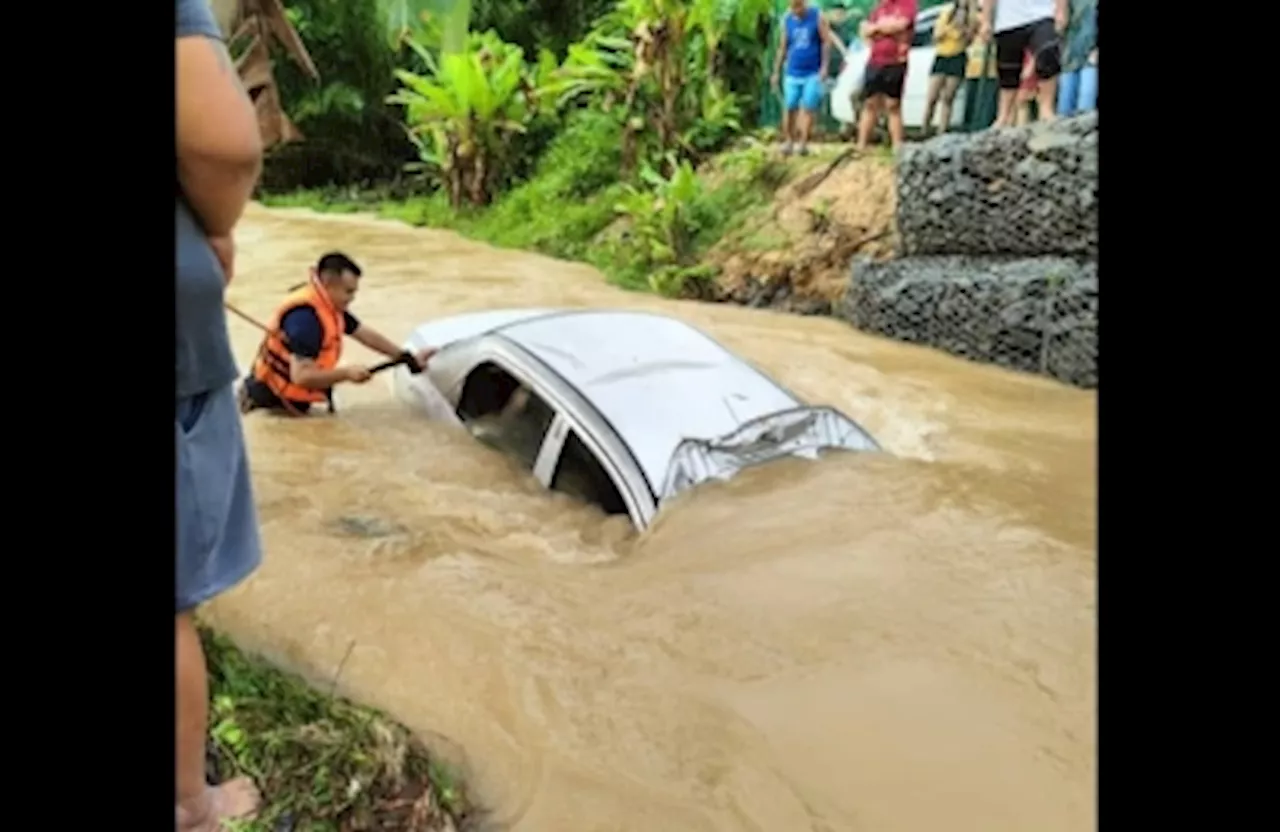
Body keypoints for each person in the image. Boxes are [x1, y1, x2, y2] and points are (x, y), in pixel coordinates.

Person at [176, 0, 265, 829]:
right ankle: (190, 804)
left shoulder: (328, 310)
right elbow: (226, 141)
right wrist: (216, 231)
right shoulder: (308, 319)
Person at [239, 252, 439, 416]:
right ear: (327, 285)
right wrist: (346, 374)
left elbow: (365, 334)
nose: (352, 298)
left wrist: (406, 357)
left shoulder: (329, 307)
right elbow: (301, 377)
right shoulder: (306, 321)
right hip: (270, 407)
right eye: (348, 292)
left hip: (294, 403)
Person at [772, 0, 846, 156]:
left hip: (812, 72)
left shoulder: (817, 16)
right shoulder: (787, 19)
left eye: (798, 6)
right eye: (793, 7)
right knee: (790, 106)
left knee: (808, 107)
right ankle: (789, 140)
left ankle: (803, 143)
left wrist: (824, 67)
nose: (796, 10)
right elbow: (783, 46)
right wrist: (776, 70)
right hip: (793, 71)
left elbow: (826, 42)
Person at [979, 0, 1068, 127]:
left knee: (1048, 54)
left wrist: (1061, 10)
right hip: (1008, 20)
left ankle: (1046, 109)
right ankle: (1004, 116)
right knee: (1008, 69)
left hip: (1043, 14)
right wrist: (985, 20)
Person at [856, 0, 919, 152]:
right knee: (870, 103)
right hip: (875, 61)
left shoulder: (908, 4)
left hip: (895, 61)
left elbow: (900, 25)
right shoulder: (879, 7)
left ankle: (897, 145)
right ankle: (861, 145)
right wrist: (882, 27)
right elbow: (865, 30)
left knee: (893, 105)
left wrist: (878, 29)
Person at [923, 1, 974, 137]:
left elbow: (970, 40)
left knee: (948, 97)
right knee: (932, 97)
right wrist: (949, 27)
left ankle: (942, 130)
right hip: (942, 55)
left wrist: (964, 29)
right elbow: (936, 36)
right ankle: (925, 128)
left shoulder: (971, 17)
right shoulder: (946, 13)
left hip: (957, 56)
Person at [1056, 0, 1097, 117]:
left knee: (1085, 106)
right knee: (1064, 110)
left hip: (1091, 56)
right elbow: (1059, 27)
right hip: (1070, 56)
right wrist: (1061, 9)